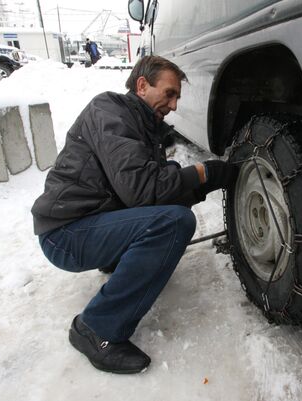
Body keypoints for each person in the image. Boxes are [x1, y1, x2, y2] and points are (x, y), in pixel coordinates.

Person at [31, 56, 235, 374]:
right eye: (169, 93)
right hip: (65, 234)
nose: (174, 105)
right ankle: (97, 330)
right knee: (175, 223)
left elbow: (155, 191)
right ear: (142, 85)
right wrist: (201, 173)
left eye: (177, 97)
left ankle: (116, 260)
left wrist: (200, 186)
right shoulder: (109, 112)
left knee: (171, 210)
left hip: (89, 221)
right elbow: (142, 190)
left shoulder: (141, 126)